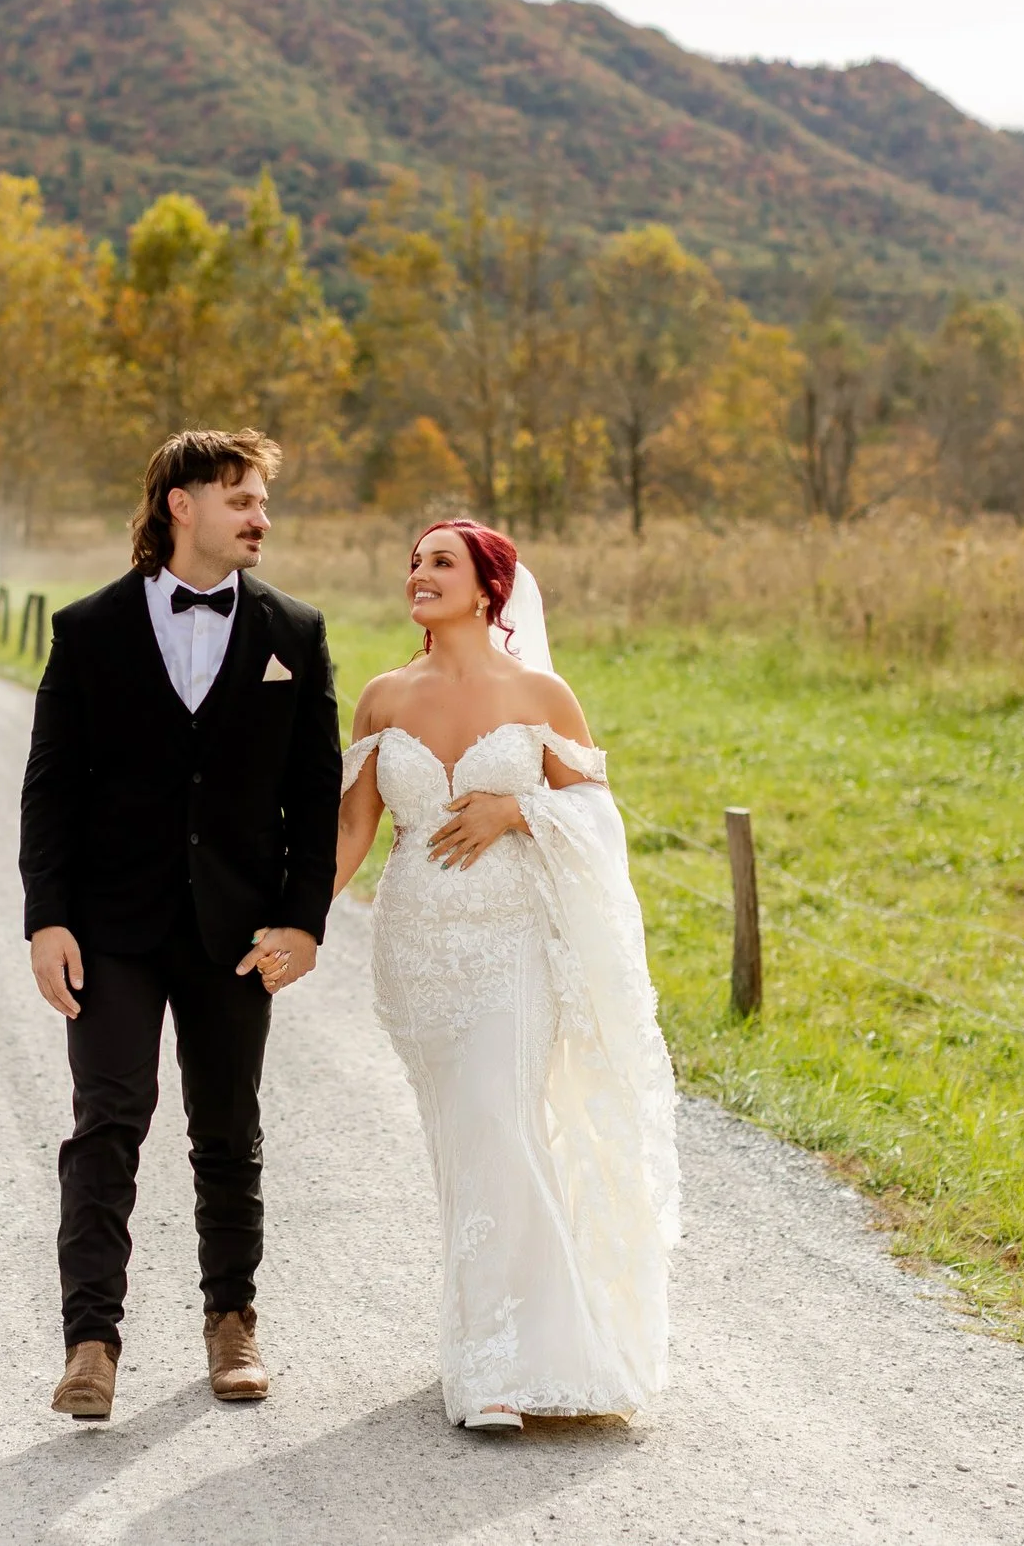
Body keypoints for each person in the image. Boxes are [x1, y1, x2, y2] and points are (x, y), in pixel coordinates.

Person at [18, 429, 341, 1421]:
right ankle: (90, 1343)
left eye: (263, 499)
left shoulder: (296, 630)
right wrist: (48, 918)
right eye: (239, 496)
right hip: (111, 925)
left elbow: (314, 794)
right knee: (106, 1123)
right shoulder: (88, 629)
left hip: (236, 932)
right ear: (181, 505)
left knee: (228, 1131)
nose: (260, 517)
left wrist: (303, 920)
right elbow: (51, 790)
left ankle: (232, 1322)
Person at [333, 520, 682, 1430]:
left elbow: (595, 814)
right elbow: (351, 833)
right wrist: (292, 921)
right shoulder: (381, 697)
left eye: (440, 562)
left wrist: (515, 808)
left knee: (501, 1116)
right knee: (466, 1137)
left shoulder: (540, 691)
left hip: (514, 944)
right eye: (412, 560)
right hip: (417, 952)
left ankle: (506, 1366)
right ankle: (483, 1339)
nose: (418, 573)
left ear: (490, 587)